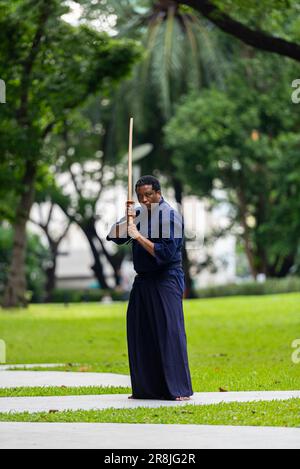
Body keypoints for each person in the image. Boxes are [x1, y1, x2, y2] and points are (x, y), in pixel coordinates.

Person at [106, 175, 193, 401]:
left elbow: (164, 254)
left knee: (168, 332)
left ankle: (178, 389)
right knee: (140, 331)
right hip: (143, 280)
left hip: (166, 278)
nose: (144, 200)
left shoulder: (169, 216)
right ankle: (147, 389)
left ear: (158, 193)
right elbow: (113, 236)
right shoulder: (138, 214)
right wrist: (128, 219)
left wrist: (138, 236)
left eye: (148, 195)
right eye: (140, 196)